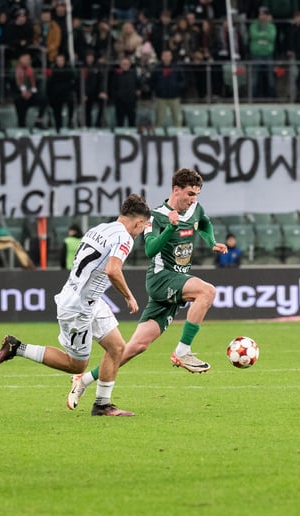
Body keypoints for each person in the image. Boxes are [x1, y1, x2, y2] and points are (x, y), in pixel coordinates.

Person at [65, 168, 228, 410]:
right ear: (176, 190)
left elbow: (204, 223)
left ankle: (84, 380)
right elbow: (150, 250)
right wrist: (171, 228)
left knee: (133, 348)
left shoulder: (195, 209)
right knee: (207, 291)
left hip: (177, 281)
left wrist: (212, 242)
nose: (193, 199)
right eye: (189, 193)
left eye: (196, 195)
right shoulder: (157, 217)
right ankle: (183, 351)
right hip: (162, 279)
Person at [0, 194, 152, 416]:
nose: (140, 232)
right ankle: (17, 348)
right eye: (142, 228)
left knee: (117, 347)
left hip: (88, 300)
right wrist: (129, 296)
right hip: (78, 307)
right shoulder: (125, 237)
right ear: (138, 222)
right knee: (76, 365)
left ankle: (103, 405)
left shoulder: (100, 229)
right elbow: (112, 270)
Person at [150, 49, 186, 128]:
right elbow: (152, 82)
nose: (166, 58)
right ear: (162, 57)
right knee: (159, 120)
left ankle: (178, 136)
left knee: (177, 119)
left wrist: (177, 87)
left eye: (168, 56)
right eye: (164, 56)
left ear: (171, 57)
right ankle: (158, 137)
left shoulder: (177, 68)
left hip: (174, 97)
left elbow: (183, 81)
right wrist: (157, 89)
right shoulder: (157, 68)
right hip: (161, 97)